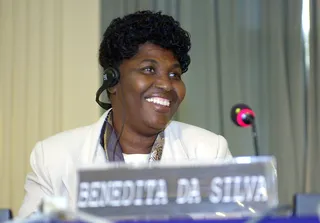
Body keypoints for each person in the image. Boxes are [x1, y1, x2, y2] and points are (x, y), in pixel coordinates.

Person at [18, 10, 232, 218]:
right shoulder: (53, 157)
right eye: (149, 69)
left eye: (174, 74)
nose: (166, 84)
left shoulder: (209, 152)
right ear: (112, 81)